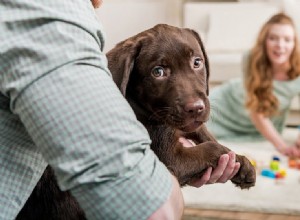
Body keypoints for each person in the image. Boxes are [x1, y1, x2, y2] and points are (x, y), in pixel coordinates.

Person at [0, 0, 240, 219]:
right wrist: (171, 175)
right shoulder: (51, 15)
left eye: (197, 63)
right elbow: (153, 208)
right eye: (159, 71)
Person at [206, 13, 300, 158]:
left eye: (287, 40)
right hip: (230, 102)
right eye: (273, 38)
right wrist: (283, 147)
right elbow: (257, 111)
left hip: (263, 120)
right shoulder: (251, 57)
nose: (280, 45)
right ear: (264, 41)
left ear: (295, 44)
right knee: (194, 125)